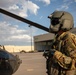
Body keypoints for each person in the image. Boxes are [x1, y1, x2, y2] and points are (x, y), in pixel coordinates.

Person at [45, 11, 76, 75]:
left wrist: (55, 54)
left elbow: (74, 62)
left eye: (55, 22)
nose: (52, 25)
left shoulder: (69, 38)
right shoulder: (58, 38)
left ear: (65, 23)